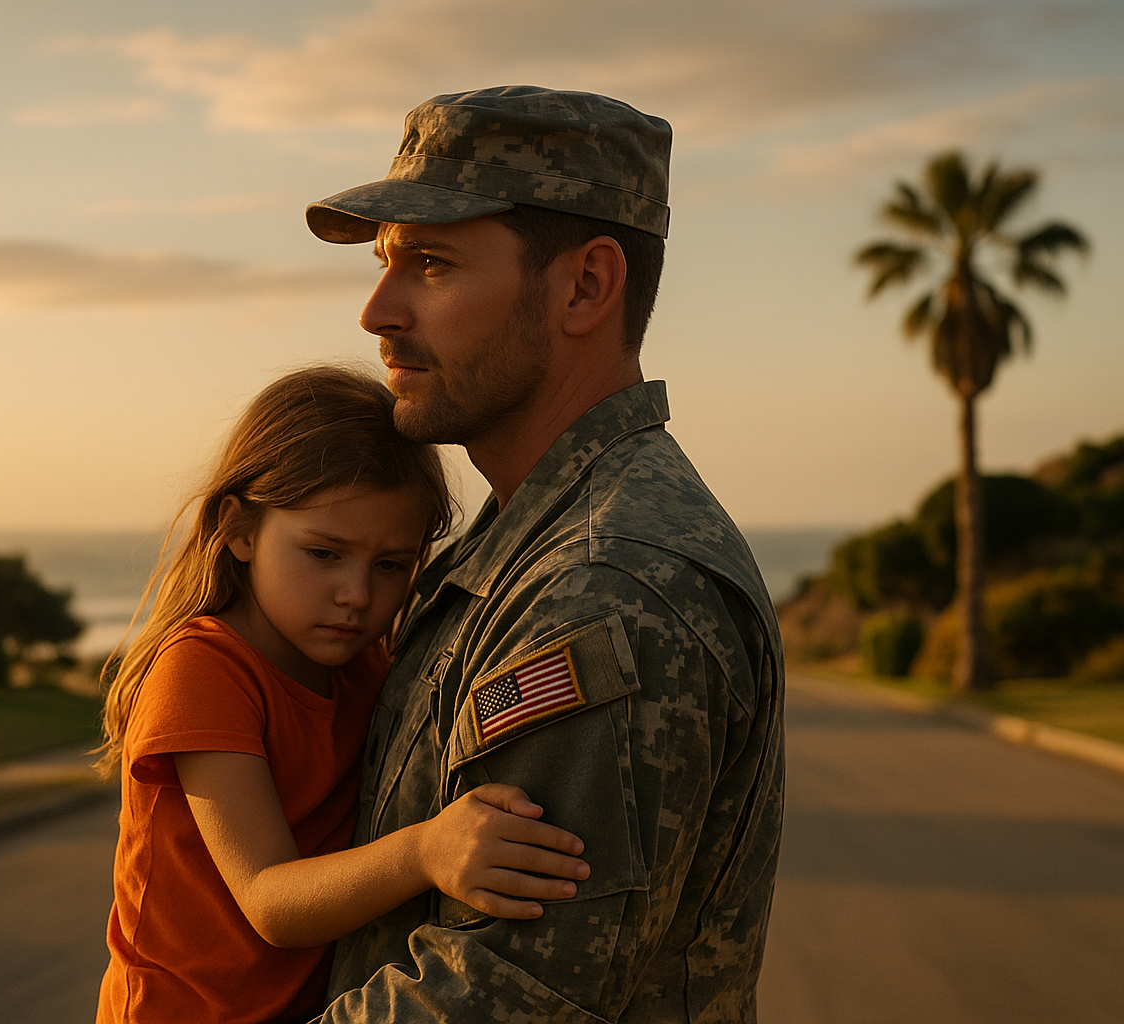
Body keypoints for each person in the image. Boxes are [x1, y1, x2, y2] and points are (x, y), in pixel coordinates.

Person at [303, 87, 786, 1022]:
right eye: (383, 266)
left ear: (585, 287)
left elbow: (496, 998)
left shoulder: (605, 584)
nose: (376, 311)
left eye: (431, 265)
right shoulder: (530, 533)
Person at [93, 366, 591, 1024]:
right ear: (239, 529)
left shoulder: (366, 669)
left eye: (390, 565)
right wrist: (427, 849)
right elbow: (270, 900)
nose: (357, 595)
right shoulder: (204, 668)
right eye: (325, 553)